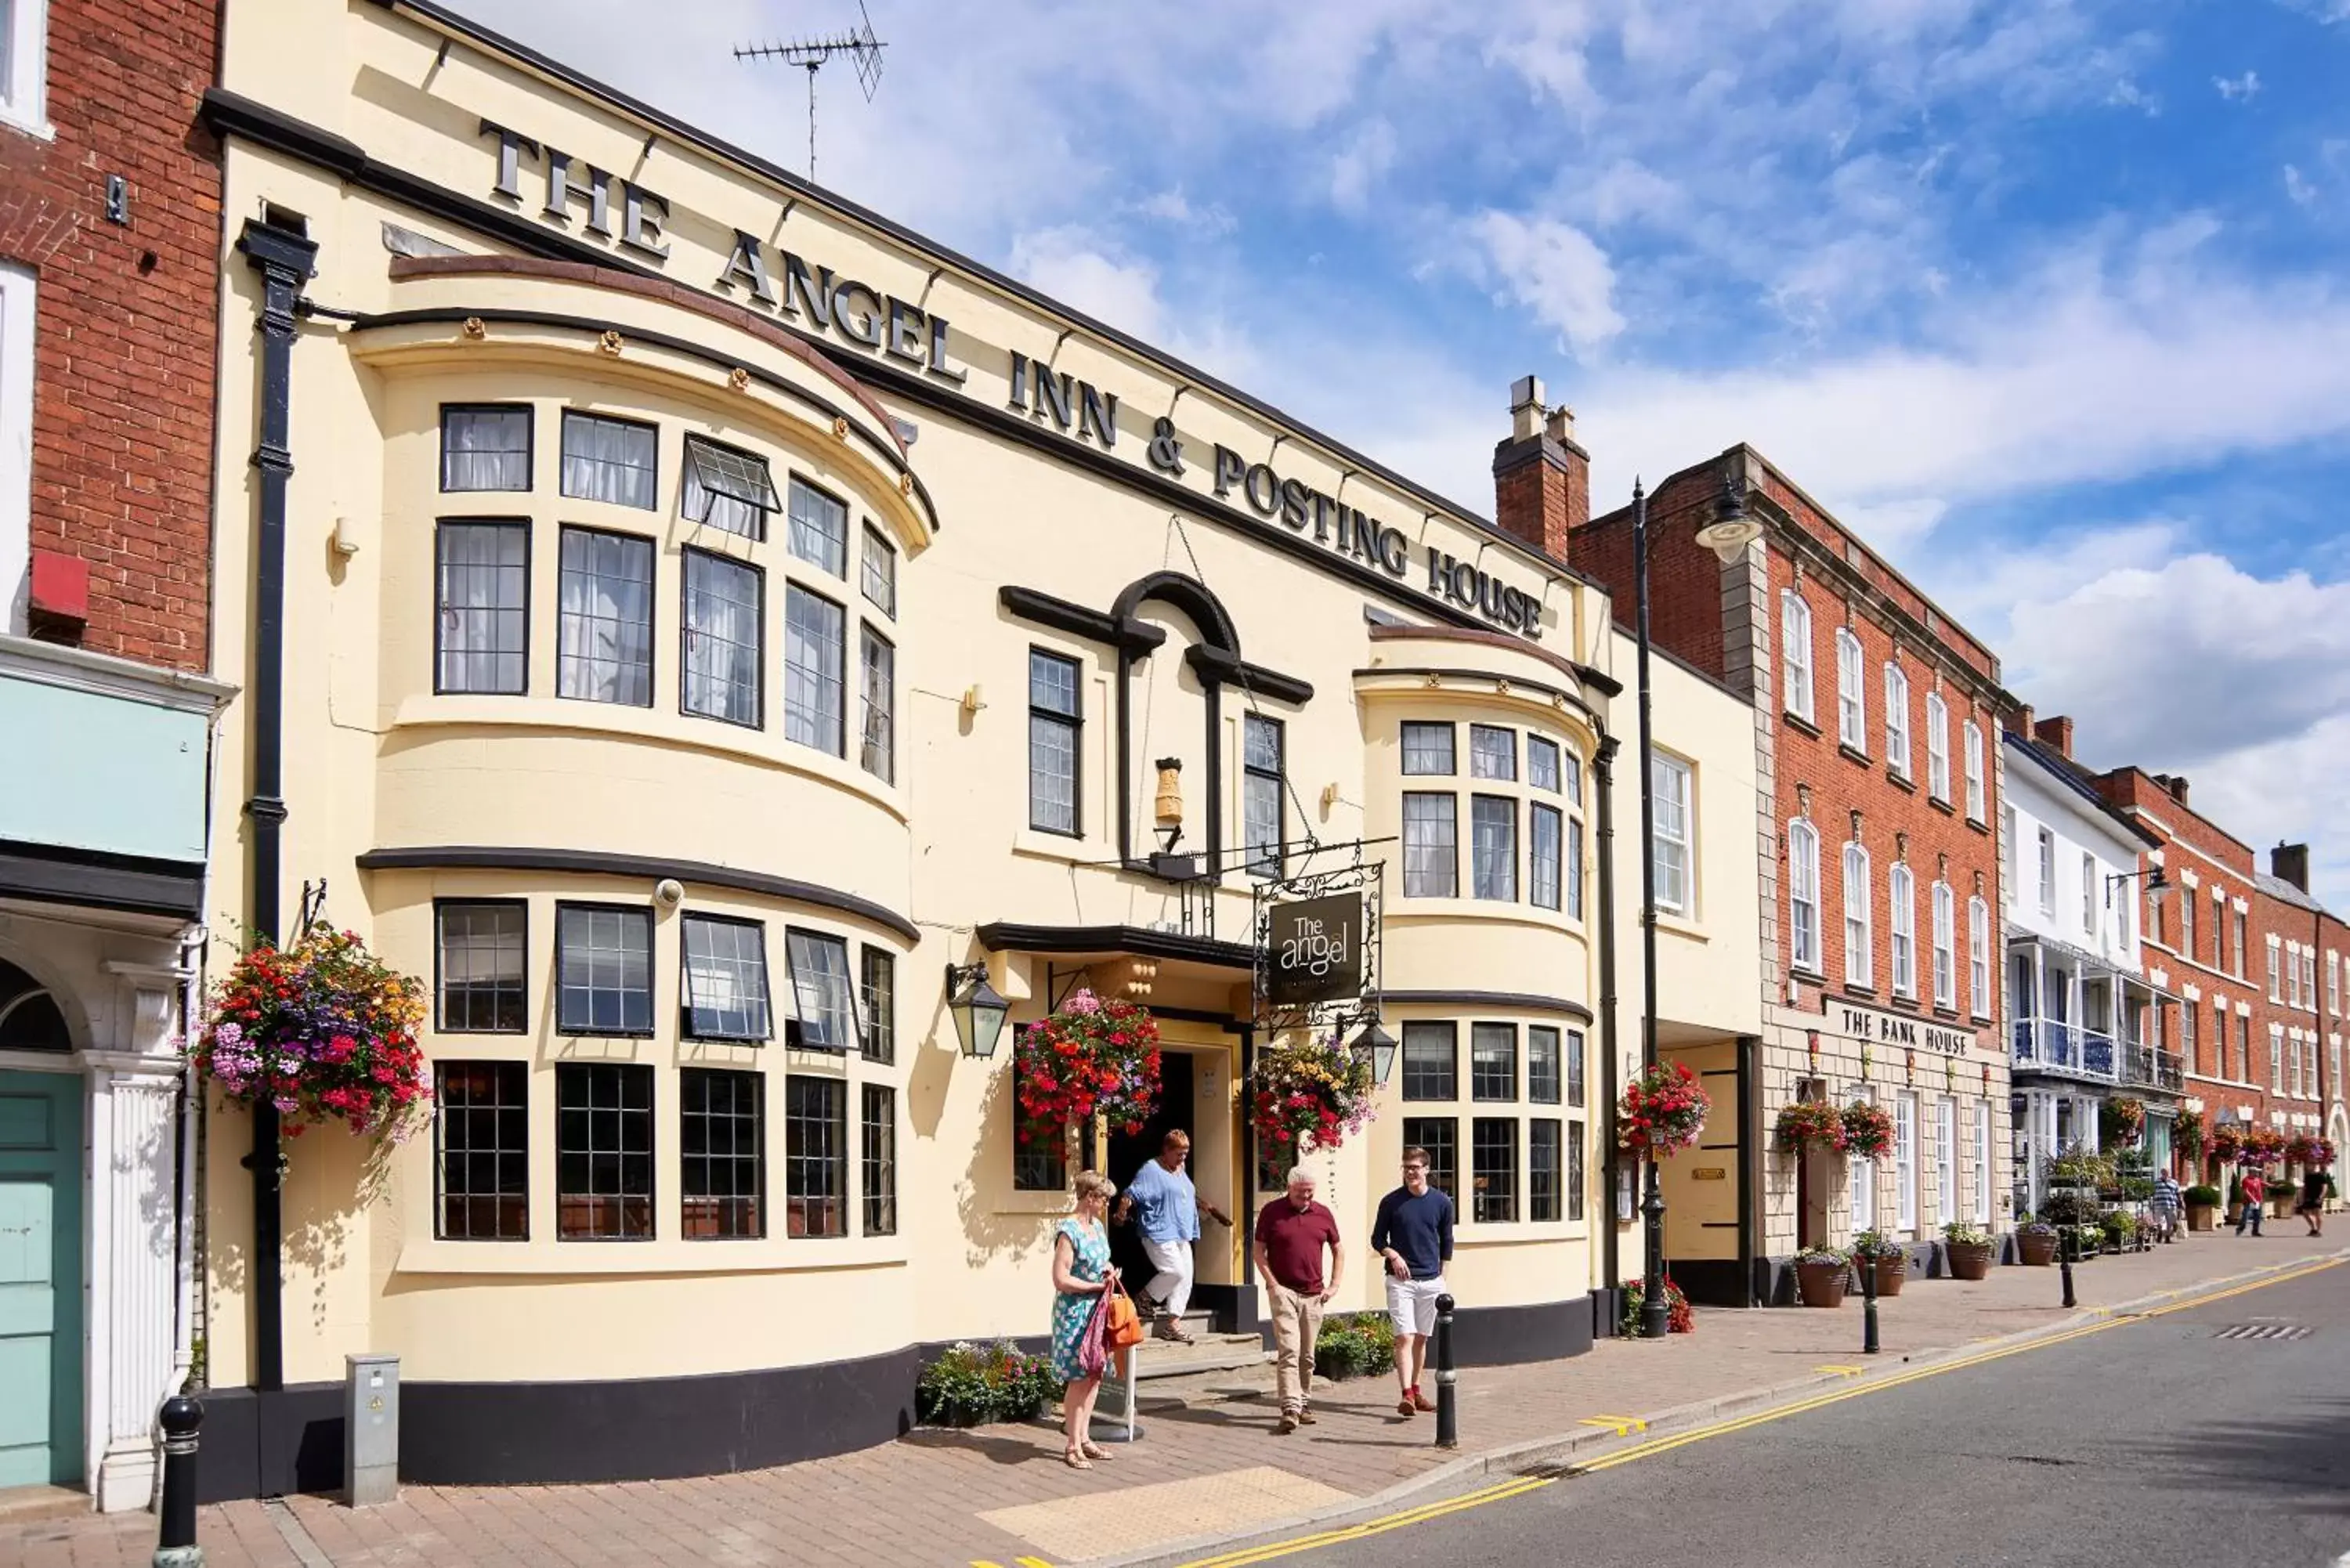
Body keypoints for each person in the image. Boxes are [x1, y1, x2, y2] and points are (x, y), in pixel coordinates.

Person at [1115, 1129, 1231, 1342]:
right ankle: (1144, 1298)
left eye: (1186, 1152)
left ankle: (1172, 1325)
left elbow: (1184, 1192)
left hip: (1181, 1230)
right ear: (1166, 1150)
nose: (1183, 1157)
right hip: (1158, 1230)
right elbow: (1131, 1193)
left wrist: (1204, 1205)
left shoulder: (1180, 1168)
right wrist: (1122, 1212)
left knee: (1186, 1278)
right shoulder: (1151, 1169)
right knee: (1175, 1272)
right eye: (1179, 1153)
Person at [1253, 1167, 1344, 1435]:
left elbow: (1338, 1248)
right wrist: (1273, 1284)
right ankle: (1290, 1408)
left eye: (1310, 1193)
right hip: (1284, 1292)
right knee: (1289, 1351)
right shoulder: (1272, 1212)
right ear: (1290, 1188)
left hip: (1314, 1294)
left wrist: (1334, 1285)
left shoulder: (1323, 1213)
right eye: (1301, 1193)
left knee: (1307, 1356)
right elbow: (1259, 1251)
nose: (1306, 1198)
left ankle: (1304, 1403)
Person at [1370, 1146, 1455, 1418]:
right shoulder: (1391, 1202)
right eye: (1406, 1167)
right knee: (1404, 1337)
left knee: (1421, 1338)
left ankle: (1417, 1391)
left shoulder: (1442, 1202)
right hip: (1400, 1282)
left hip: (1431, 1282)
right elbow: (1377, 1240)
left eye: (1415, 1167)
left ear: (1427, 1170)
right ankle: (1406, 1394)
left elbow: (1447, 1241)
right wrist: (1393, 1254)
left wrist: (1443, 1277)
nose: (1410, 1172)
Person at [1049, 1171, 1122, 1470]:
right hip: (1075, 1313)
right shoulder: (1069, 1230)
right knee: (1079, 1377)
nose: (1106, 1203)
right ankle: (1072, 1444)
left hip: (1098, 1311)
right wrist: (1093, 1287)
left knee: (1094, 1374)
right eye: (1104, 1198)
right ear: (1090, 1196)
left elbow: (1100, 1261)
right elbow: (1060, 1278)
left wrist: (1108, 1272)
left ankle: (1085, 1438)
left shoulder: (1098, 1227)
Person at [2149, 1168, 2181, 1244]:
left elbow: (2178, 1193)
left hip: (2171, 1205)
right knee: (2159, 1221)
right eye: (2164, 1172)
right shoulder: (2156, 1182)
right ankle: (2160, 1233)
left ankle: (2167, 1237)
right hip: (2159, 1204)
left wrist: (2181, 1203)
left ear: (2169, 1173)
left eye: (2167, 1172)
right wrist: (2151, 1203)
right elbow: (2151, 1194)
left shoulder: (2174, 1182)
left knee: (2171, 1222)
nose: (2165, 1174)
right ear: (2161, 1173)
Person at [2296, 1165, 2327, 1237]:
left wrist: (2321, 1197)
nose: (2311, 1167)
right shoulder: (2308, 1176)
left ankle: (2318, 1231)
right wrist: (2301, 1198)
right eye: (2311, 1165)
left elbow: (2325, 1187)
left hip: (2317, 1197)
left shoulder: (2321, 1176)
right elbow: (2305, 1187)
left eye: (2314, 1165)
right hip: (2308, 1197)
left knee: (2318, 1215)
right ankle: (2313, 1228)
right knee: (2305, 1213)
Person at [2235, 1167, 2265, 1237]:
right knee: (2245, 1217)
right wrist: (2253, 1200)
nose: (2258, 1173)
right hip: (2249, 1202)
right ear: (2252, 1172)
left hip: (2258, 1201)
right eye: (2256, 1172)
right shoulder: (2246, 1180)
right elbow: (2246, 1191)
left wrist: (2271, 1185)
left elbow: (2261, 1183)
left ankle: (2255, 1231)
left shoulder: (2257, 1179)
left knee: (2257, 1217)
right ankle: (2240, 1228)